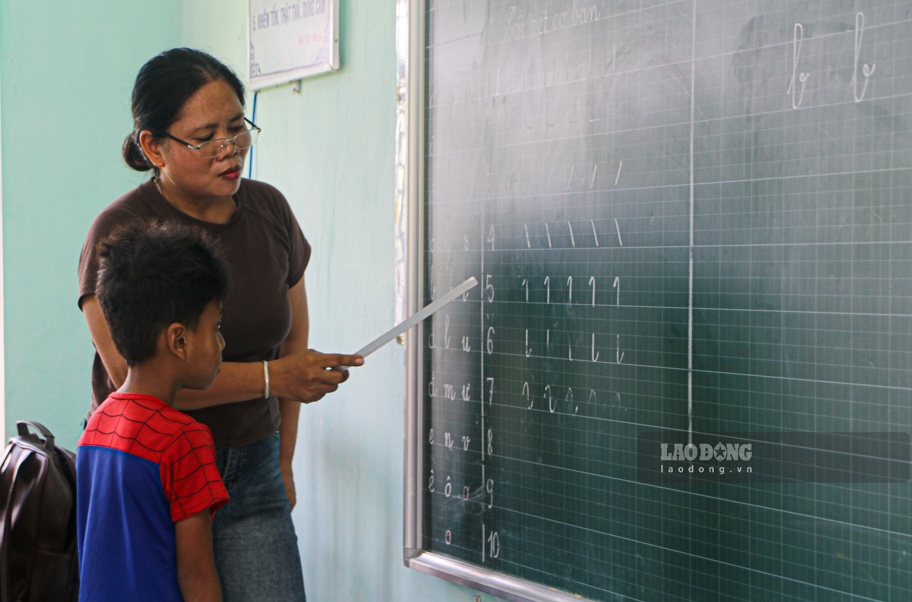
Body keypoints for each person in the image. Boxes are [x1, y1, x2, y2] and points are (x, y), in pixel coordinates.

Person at [77, 48, 363, 601]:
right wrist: (271, 378)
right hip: (148, 474)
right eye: (204, 136)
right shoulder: (119, 231)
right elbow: (128, 376)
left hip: (251, 465)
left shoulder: (270, 210)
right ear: (153, 146)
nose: (228, 150)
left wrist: (282, 460)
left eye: (237, 128)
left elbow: (292, 339)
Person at [76, 221, 231, 601]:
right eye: (216, 327)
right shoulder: (184, 439)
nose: (223, 342)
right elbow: (196, 577)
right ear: (179, 339)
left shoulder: (98, 423)